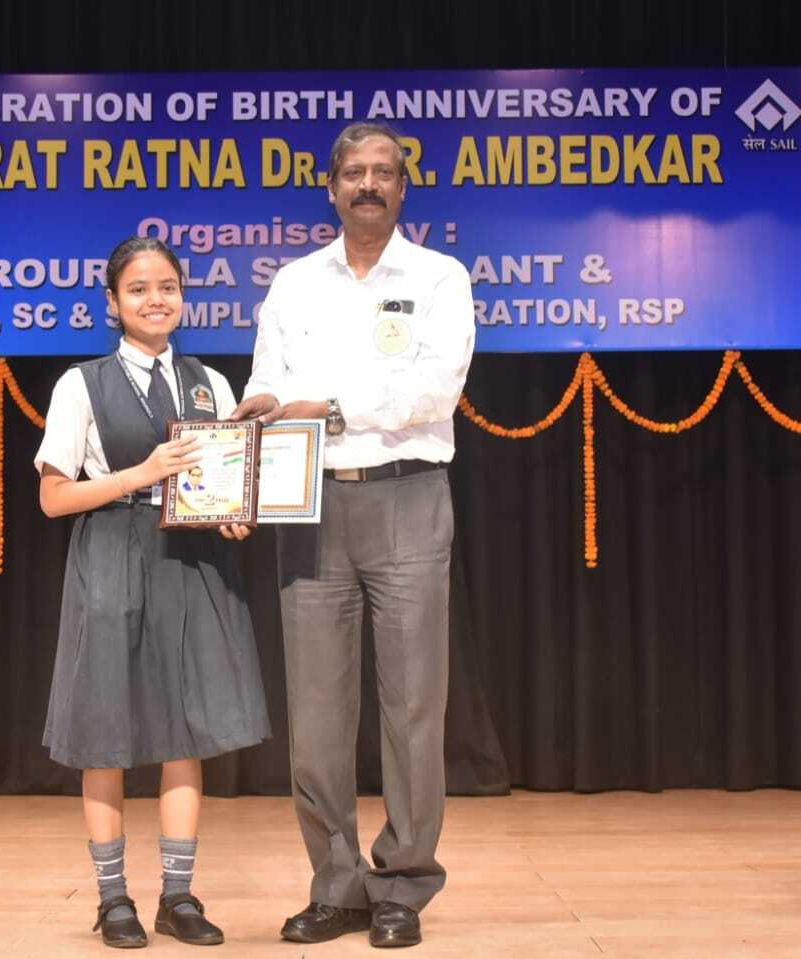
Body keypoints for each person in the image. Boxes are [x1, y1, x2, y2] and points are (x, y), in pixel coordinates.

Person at [233, 122, 475, 949]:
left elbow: (434, 389)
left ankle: (403, 883)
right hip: (308, 503)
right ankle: (335, 885)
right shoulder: (295, 283)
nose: (368, 184)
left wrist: (329, 406)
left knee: (413, 706)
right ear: (331, 187)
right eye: (354, 173)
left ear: (404, 187)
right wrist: (260, 410)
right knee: (317, 713)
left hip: (408, 494)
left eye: (384, 172)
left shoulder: (439, 277)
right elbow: (269, 379)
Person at [35, 236, 271, 949]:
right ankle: (113, 900)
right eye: (138, 289)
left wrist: (234, 515)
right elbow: (53, 497)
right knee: (104, 732)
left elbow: (224, 482)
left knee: (185, 729)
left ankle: (179, 896)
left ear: (183, 298)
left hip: (191, 560)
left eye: (167, 286)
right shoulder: (82, 384)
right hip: (111, 552)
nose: (155, 299)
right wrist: (141, 474)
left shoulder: (211, 383)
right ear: (112, 303)